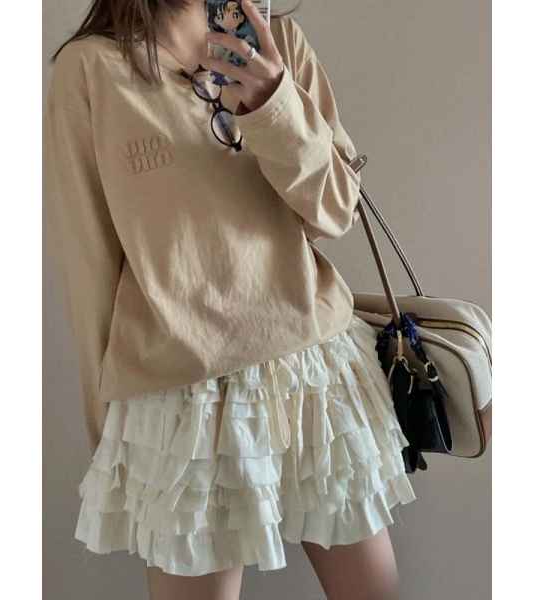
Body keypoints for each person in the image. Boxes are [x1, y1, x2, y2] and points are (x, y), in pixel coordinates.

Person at [43, 1, 417, 598]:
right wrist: (108, 435)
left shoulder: (278, 42)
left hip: (311, 374)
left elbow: (335, 211)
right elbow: (88, 259)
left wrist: (274, 105)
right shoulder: (89, 71)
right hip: (181, 401)